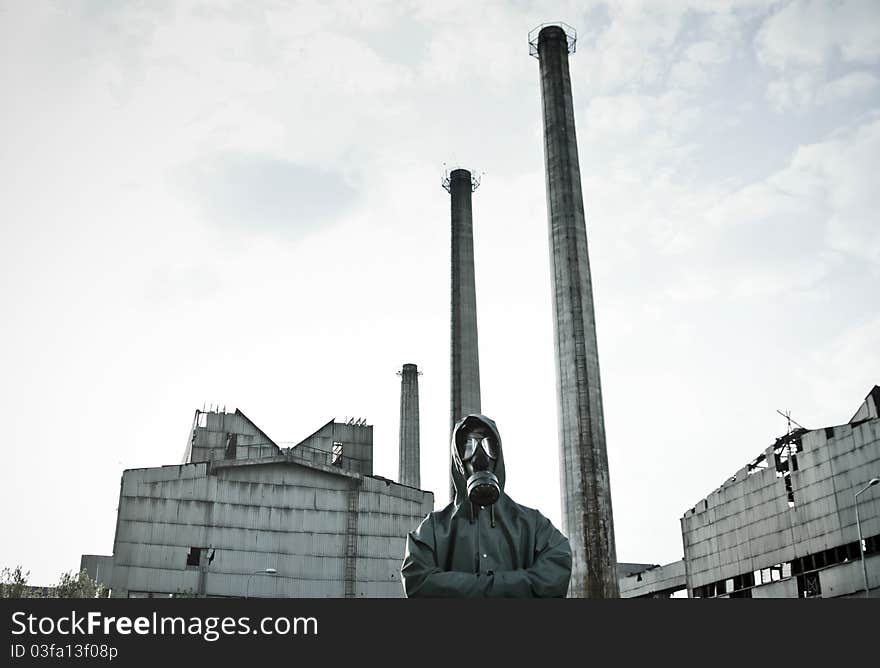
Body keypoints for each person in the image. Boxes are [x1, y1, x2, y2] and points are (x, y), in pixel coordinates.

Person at [401, 414, 572, 597]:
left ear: (498, 454)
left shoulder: (533, 524)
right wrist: (514, 585)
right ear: (459, 460)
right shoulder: (434, 528)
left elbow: (556, 573)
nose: (480, 457)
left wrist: (465, 586)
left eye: (489, 445)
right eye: (469, 447)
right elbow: (416, 580)